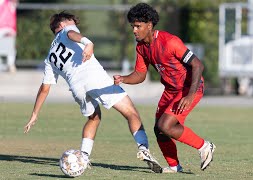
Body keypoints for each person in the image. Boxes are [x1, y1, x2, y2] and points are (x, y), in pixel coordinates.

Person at [23, 11, 162, 173]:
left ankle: (83, 157)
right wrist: (87, 42)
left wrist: (35, 114)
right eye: (71, 22)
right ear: (61, 25)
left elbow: (44, 88)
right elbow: (73, 34)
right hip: (95, 79)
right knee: (131, 113)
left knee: (94, 118)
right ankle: (143, 148)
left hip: (77, 88)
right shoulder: (65, 31)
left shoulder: (49, 57)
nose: (74, 25)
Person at [113, 3, 216, 173]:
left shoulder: (170, 42)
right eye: (133, 26)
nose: (134, 30)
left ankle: (205, 146)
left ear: (149, 25)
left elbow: (198, 65)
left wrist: (190, 95)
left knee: (165, 125)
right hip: (170, 90)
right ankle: (175, 167)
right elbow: (140, 74)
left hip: (189, 88)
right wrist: (123, 78)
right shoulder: (141, 47)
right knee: (159, 129)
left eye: (138, 26)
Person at [0, 0, 18, 73]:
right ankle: (10, 65)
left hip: (8, 28)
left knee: (10, 49)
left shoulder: (10, 3)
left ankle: (10, 65)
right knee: (10, 49)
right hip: (7, 28)